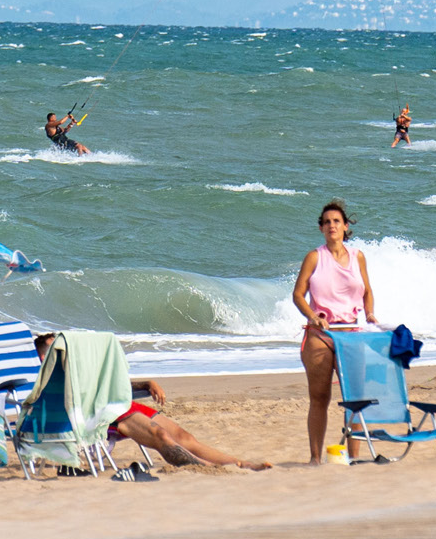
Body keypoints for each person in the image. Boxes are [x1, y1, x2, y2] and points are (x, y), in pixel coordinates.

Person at [291, 200, 378, 464]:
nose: (331, 225)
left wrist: (370, 312)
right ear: (321, 228)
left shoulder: (357, 256)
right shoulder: (314, 257)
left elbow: (367, 291)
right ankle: (315, 458)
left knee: (354, 398)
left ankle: (354, 457)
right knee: (320, 397)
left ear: (345, 226)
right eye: (326, 222)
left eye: (336, 221)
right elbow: (298, 295)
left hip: (351, 332)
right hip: (320, 336)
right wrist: (312, 316)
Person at [106, 373, 271, 471]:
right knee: (161, 435)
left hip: (120, 402)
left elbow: (112, 385)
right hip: (101, 410)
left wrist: (147, 383)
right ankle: (209, 467)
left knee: (185, 437)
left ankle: (239, 464)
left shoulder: (95, 351)